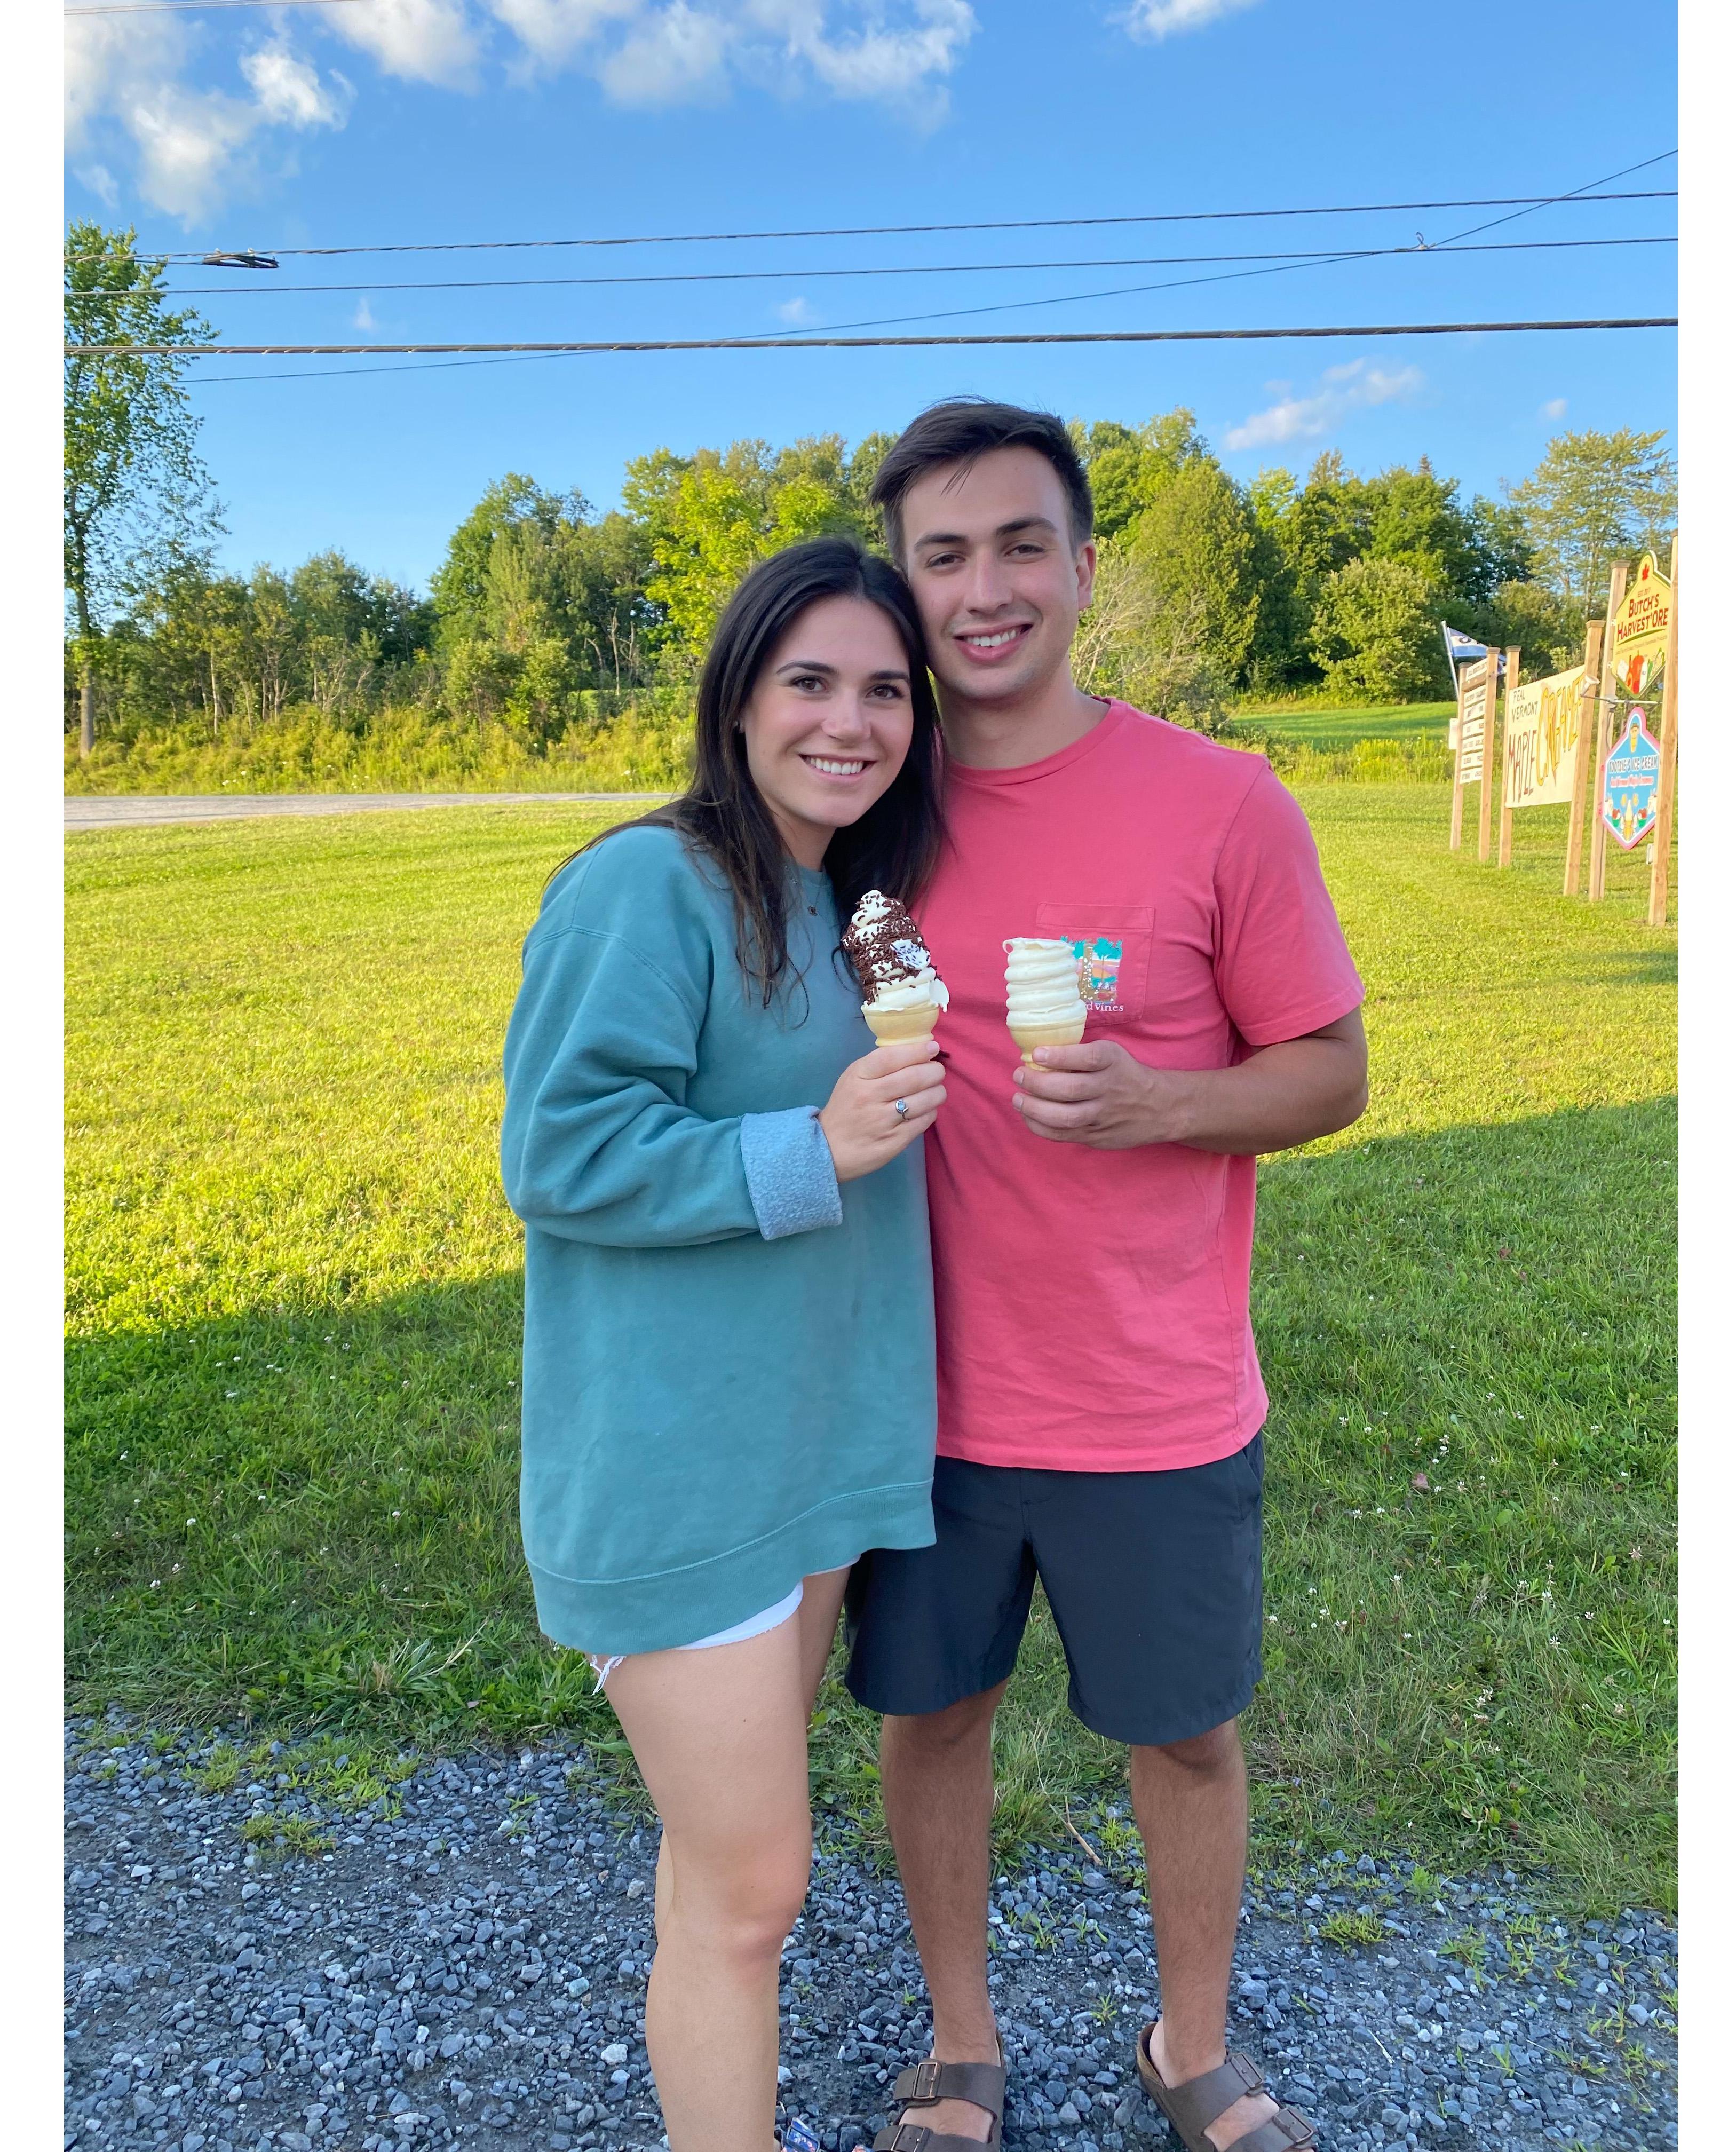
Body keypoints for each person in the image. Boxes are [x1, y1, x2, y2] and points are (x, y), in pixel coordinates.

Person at [844, 402, 1370, 2152]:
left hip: (1156, 1397)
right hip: (918, 1393)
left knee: (1190, 1742)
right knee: (934, 1723)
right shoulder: (863, 808)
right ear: (905, 587)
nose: (981, 589)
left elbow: (1332, 1069)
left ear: (1079, 564)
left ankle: (1194, 2047)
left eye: (1016, 546)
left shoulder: (1221, 800)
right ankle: (963, 2046)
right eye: (941, 556)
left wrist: (1167, 1100)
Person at [500, 538, 951, 2152]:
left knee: (713, 1877)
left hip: (812, 1450)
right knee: (756, 1894)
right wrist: (804, 1151)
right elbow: (558, 1151)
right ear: (739, 700)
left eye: (886, 689)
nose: (852, 720)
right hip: (681, 1475)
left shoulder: (851, 905)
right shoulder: (649, 883)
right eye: (811, 682)